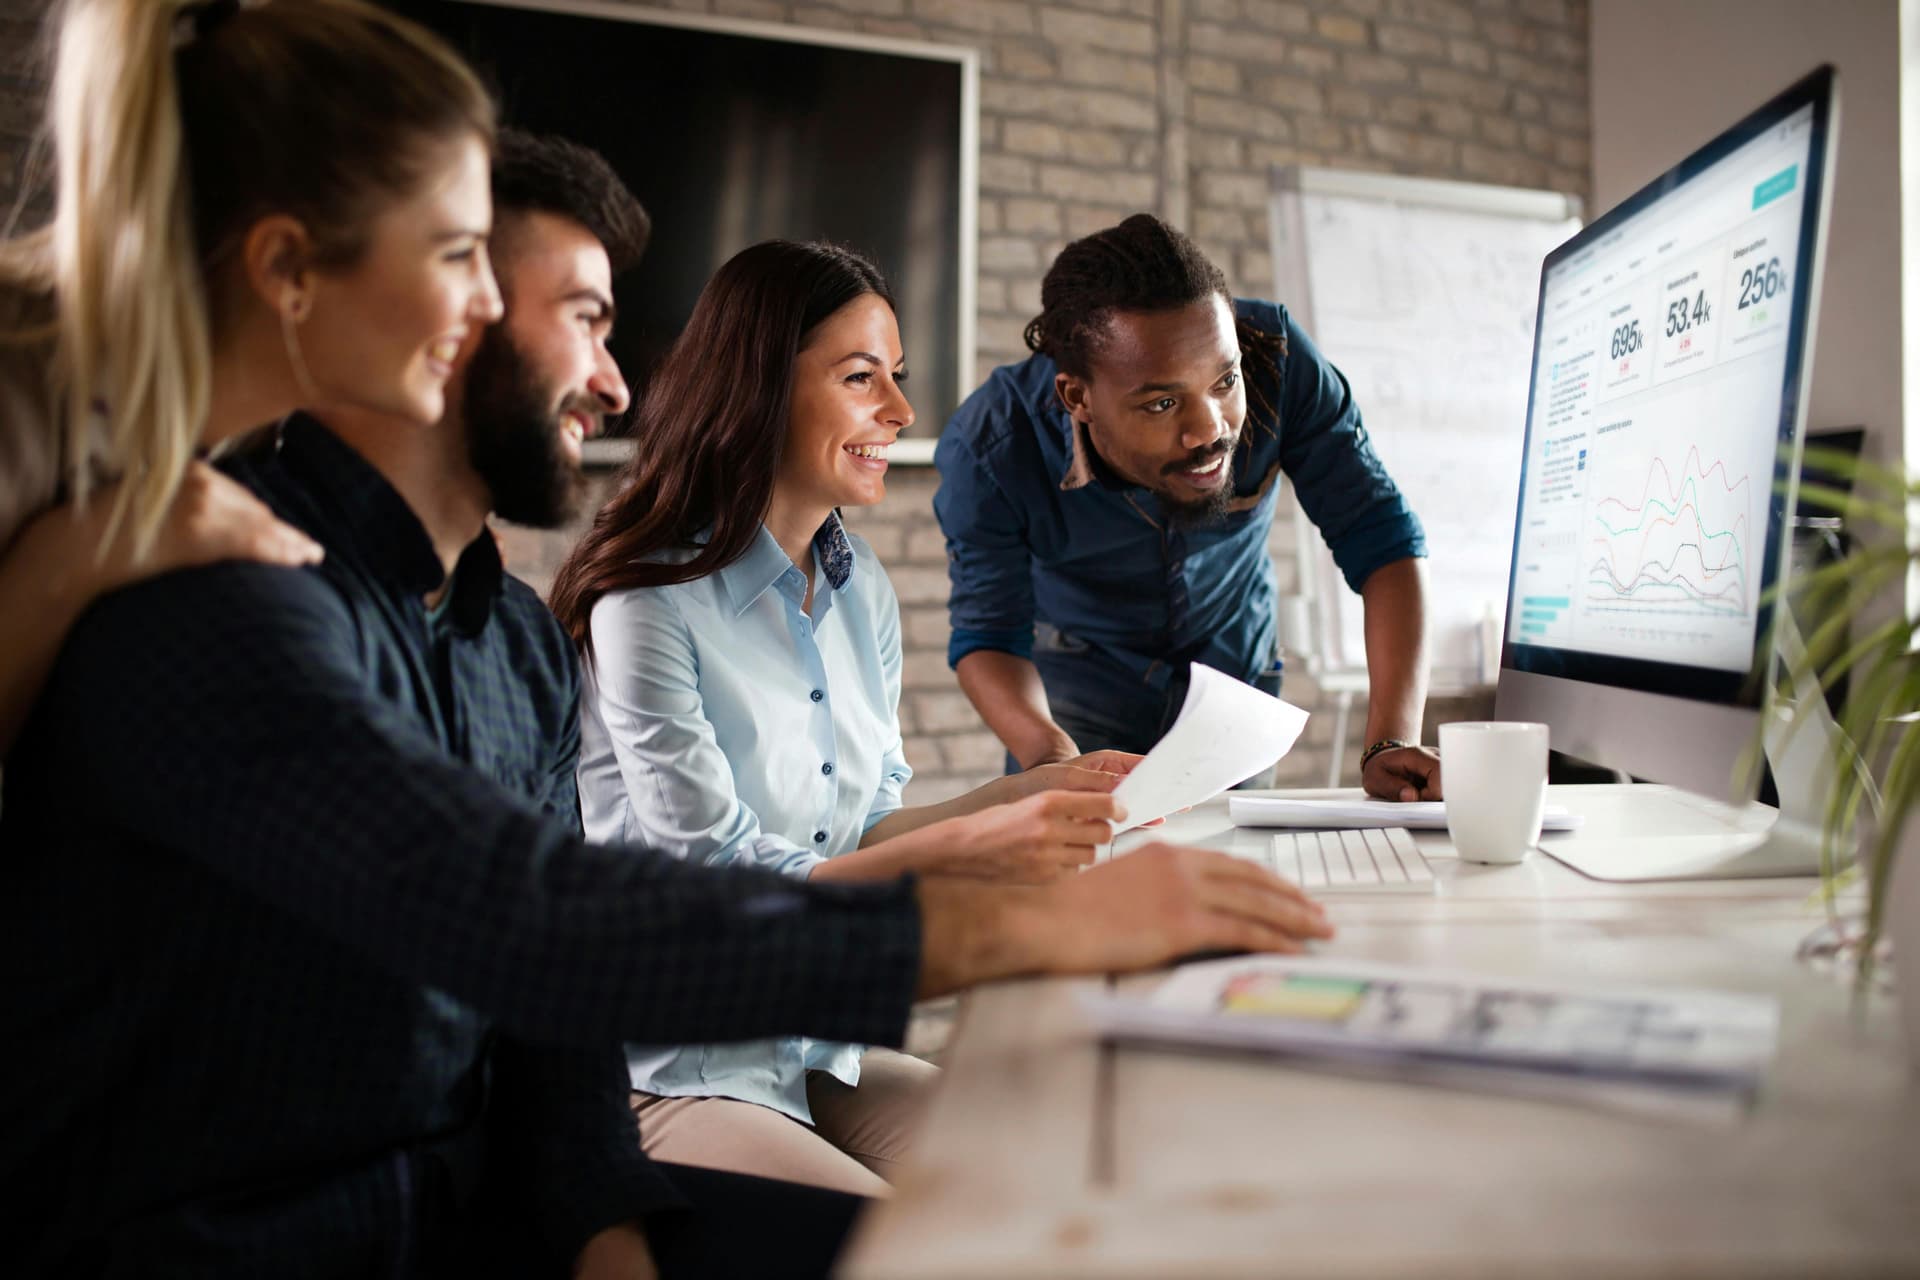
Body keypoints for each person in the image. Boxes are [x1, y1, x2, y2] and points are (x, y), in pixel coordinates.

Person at [0, 120, 1333, 1280]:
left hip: (531, 1170)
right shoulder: (235, 598)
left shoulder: (512, 642)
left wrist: (602, 1218)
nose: (617, 381)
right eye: (581, 317)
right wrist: (999, 921)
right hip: (268, 1237)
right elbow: (533, 915)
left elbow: (546, 1001)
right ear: (428, 316)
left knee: (1093, 1193)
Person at [551, 240, 1131, 1195]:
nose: (900, 411)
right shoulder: (646, 605)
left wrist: (1029, 794)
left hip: (812, 1050)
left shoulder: (862, 598)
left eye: (896, 377)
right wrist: (984, 839)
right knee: (902, 1240)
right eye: (862, 378)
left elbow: (861, 831)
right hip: (676, 1067)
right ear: (758, 388)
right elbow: (721, 878)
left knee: (1064, 1163)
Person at [0, 0, 521, 758]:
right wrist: (80, 556)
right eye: (457, 252)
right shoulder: (16, 386)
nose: (491, 302)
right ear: (285, 266)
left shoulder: (237, 441)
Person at [935, 213, 1445, 801]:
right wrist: (1051, 757)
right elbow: (988, 637)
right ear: (1078, 397)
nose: (1210, 430)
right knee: (1083, 857)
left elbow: (1384, 543)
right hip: (1078, 693)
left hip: (1236, 686)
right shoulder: (993, 447)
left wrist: (1389, 743)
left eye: (1224, 382)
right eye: (1162, 403)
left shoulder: (1277, 362)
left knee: (1234, 855)